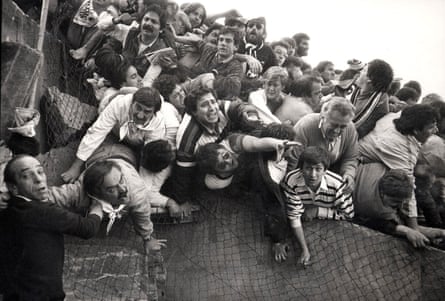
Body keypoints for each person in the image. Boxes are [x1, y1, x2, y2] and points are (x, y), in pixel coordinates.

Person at [0, 155, 103, 300]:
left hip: (14, 292)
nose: (38, 179)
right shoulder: (44, 212)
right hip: (42, 294)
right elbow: (87, 228)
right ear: (14, 187)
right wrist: (97, 208)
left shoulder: (10, 207)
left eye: (40, 171)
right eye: (26, 176)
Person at [353, 104, 439, 229]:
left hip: (363, 158)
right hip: (359, 167)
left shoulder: (400, 115)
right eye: (431, 128)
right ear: (415, 130)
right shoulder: (401, 150)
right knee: (406, 186)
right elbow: (409, 190)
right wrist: (414, 228)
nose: (436, 130)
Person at [61, 87, 166, 183]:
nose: (140, 115)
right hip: (113, 134)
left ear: (154, 113)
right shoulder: (120, 103)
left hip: (137, 146)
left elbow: (148, 157)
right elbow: (97, 132)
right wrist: (75, 167)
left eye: (147, 112)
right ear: (132, 102)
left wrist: (140, 187)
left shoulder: (158, 126)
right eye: (138, 107)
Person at [282, 146, 354, 265]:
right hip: (302, 221)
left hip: (329, 228)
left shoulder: (338, 184)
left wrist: (317, 211)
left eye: (318, 169)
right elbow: (294, 216)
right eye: (308, 168)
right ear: (301, 168)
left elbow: (348, 215)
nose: (313, 175)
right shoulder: (291, 180)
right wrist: (304, 249)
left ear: (325, 170)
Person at [82, 158, 168, 253]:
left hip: (124, 155)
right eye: (111, 190)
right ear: (97, 193)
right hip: (97, 157)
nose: (123, 189)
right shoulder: (80, 190)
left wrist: (147, 238)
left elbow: (142, 214)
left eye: (121, 181)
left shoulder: (136, 194)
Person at [355, 169, 445, 248]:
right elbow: (380, 224)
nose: (400, 206)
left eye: (403, 202)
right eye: (396, 202)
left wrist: (439, 232)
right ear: (383, 194)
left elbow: (408, 226)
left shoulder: (386, 169)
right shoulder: (372, 206)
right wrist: (407, 231)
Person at [289, 97, 359, 195]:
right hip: (305, 176)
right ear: (322, 117)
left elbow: (350, 157)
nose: (337, 131)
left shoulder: (350, 128)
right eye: (334, 125)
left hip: (331, 174)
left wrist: (349, 174)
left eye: (342, 127)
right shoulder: (305, 126)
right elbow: (293, 161)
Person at [350, 59, 394, 138]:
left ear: (370, 79)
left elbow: (358, 133)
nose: (360, 72)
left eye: (363, 70)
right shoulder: (354, 90)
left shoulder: (380, 105)